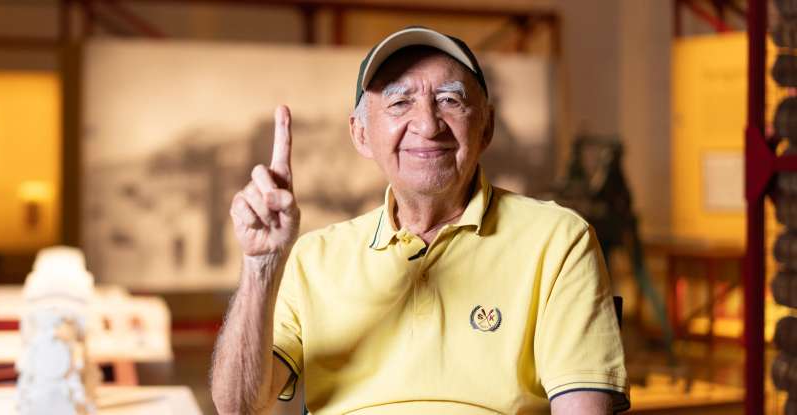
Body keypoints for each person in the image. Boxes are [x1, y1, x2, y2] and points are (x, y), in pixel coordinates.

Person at [210, 27, 628, 414]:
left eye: (450, 100)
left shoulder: (559, 241)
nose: (428, 125)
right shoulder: (314, 258)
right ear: (360, 134)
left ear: (486, 127)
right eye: (399, 102)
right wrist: (261, 265)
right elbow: (238, 406)